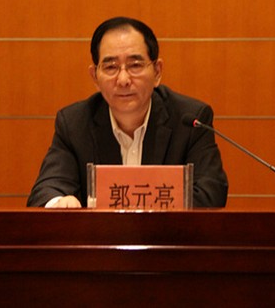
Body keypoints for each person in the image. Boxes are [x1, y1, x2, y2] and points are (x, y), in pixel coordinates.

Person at [27, 17, 228, 208]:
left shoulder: (190, 120)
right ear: (95, 77)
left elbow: (211, 194)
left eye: (135, 65)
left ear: (157, 71)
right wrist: (60, 203)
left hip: (168, 233)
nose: (123, 79)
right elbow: (46, 191)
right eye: (111, 67)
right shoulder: (74, 123)